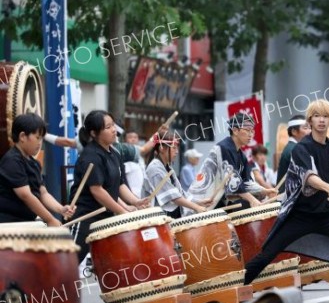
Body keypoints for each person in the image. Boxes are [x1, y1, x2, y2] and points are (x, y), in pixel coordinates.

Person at [244, 99, 329, 285]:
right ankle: (239, 285)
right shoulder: (302, 148)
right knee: (268, 253)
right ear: (310, 120)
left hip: (325, 215)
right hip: (299, 215)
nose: (321, 120)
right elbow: (308, 177)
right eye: (317, 116)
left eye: (326, 116)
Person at [68, 110, 150, 264]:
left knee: (110, 263)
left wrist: (135, 202)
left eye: (113, 125)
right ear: (94, 133)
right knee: (69, 263)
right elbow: (97, 191)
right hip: (85, 216)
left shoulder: (114, 153)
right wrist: (122, 211)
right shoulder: (91, 156)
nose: (114, 130)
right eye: (107, 127)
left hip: (105, 216)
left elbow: (118, 185)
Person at [188, 113, 276, 210]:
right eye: (247, 130)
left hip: (217, 203)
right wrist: (252, 200)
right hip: (200, 203)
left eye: (252, 131)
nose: (250, 135)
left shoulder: (242, 155)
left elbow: (246, 183)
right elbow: (233, 182)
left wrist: (265, 191)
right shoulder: (224, 148)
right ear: (235, 130)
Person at [0, 113, 76, 225]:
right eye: (37, 137)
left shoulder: (34, 163)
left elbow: (43, 193)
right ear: (22, 137)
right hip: (9, 225)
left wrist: (61, 209)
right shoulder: (12, 161)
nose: (40, 143)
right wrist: (50, 220)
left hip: (25, 223)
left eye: (41, 138)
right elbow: (26, 195)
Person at [142, 131, 211, 218]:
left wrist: (199, 202)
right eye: (174, 148)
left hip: (167, 217)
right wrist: (196, 207)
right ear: (161, 148)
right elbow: (173, 197)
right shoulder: (155, 168)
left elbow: (180, 193)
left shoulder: (168, 168)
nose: (177, 152)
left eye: (177, 148)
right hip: (155, 219)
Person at [276, 115, 311, 187]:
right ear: (294, 131)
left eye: (310, 128)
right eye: (305, 128)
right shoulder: (295, 150)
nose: (310, 131)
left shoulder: (292, 147)